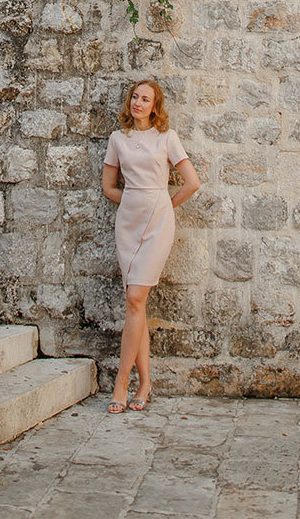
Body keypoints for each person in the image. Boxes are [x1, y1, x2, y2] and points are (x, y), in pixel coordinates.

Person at [101, 78, 200, 411]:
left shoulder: (167, 138)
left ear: (155, 107)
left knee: (135, 296)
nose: (138, 103)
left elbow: (192, 182)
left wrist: (163, 205)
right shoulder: (118, 139)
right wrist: (132, 201)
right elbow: (108, 187)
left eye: (145, 99)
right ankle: (144, 385)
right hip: (127, 225)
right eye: (135, 97)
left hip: (158, 224)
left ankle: (120, 383)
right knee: (136, 305)